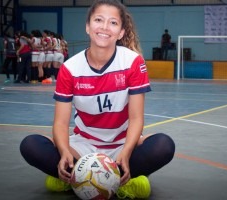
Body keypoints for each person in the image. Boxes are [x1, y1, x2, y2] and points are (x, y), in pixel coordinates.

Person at [19, 0, 175, 199]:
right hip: (83, 145)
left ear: (121, 32)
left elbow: (136, 118)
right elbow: (60, 122)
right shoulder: (70, 68)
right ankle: (91, 176)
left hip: (121, 145)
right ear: (87, 26)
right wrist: (65, 151)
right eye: (98, 20)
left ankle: (82, 179)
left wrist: (126, 152)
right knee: (30, 145)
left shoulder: (133, 62)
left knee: (164, 145)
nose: (104, 27)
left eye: (113, 23)